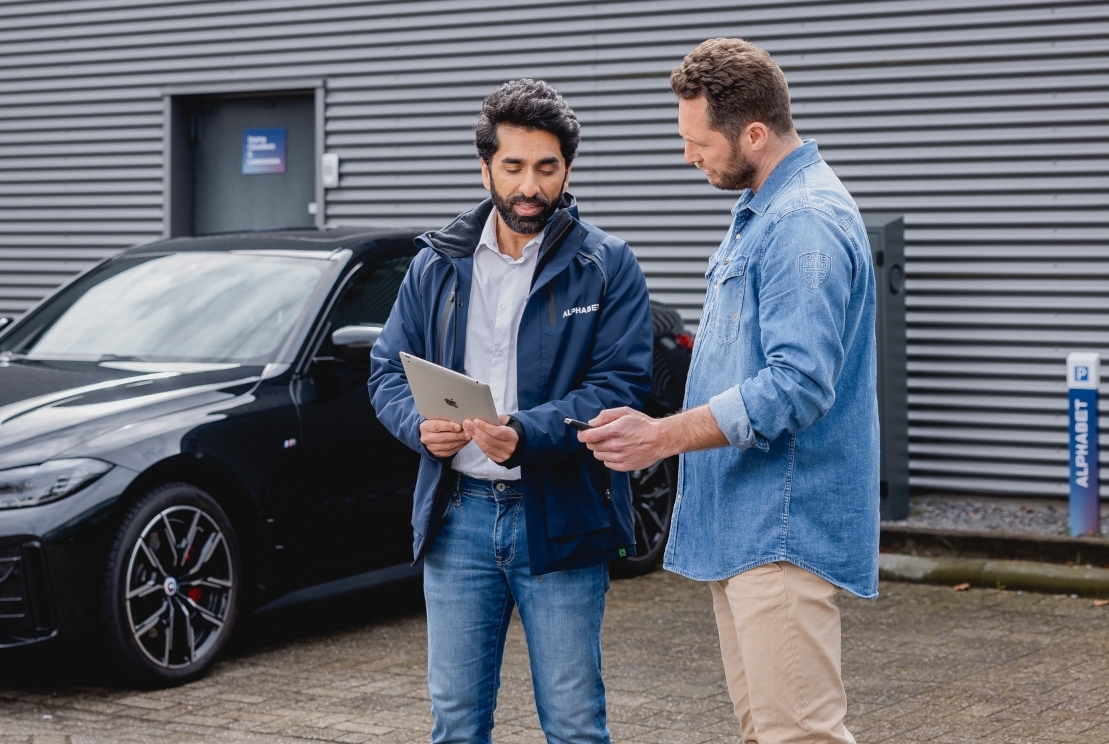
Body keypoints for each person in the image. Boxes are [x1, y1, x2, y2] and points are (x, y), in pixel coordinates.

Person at [579, 38, 879, 743]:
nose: (689, 155)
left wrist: (661, 435)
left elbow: (796, 386)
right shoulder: (762, 209)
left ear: (753, 132)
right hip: (747, 526)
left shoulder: (801, 222)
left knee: (797, 734)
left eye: (697, 141)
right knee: (765, 732)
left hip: (779, 528)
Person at [368, 78, 653, 744]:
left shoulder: (606, 266)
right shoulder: (435, 264)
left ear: (568, 169)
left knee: (574, 723)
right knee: (456, 722)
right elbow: (386, 370)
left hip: (560, 513)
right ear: (485, 167)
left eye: (546, 168)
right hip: (458, 516)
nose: (530, 185)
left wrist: (527, 433)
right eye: (514, 166)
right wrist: (418, 426)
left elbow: (621, 386)